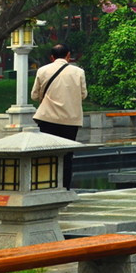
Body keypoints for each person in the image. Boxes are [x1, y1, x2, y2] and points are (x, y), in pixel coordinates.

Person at [30, 43, 87, 189]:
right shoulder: (78, 72)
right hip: (70, 120)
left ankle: (46, 186)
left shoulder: (42, 71)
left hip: (47, 118)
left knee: (47, 154)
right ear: (68, 56)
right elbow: (83, 95)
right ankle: (65, 187)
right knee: (67, 156)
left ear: (51, 57)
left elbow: (34, 95)